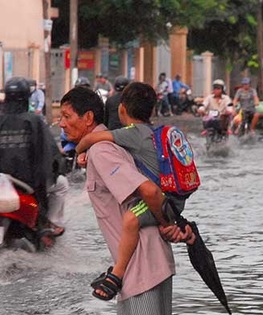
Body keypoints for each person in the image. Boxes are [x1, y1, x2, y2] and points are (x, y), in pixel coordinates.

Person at [59, 85, 201, 315]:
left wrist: (166, 224)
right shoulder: (111, 143)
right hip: (134, 259)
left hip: (141, 260)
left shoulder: (103, 150)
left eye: (66, 116)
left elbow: (149, 192)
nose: (60, 123)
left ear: (88, 118)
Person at [75, 81, 196, 300]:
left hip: (162, 200)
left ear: (122, 109)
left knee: (131, 219)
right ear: (153, 110)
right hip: (175, 198)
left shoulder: (131, 133)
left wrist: (80, 150)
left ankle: (117, 274)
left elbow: (91, 138)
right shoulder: (151, 133)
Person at [0, 77, 61, 234]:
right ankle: (47, 224)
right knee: (62, 185)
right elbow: (49, 151)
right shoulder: (34, 120)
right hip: (28, 183)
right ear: (26, 98)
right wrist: (58, 166)